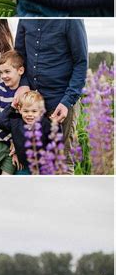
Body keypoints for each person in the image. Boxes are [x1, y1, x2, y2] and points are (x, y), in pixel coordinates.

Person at [15, 19, 88, 172]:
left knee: (62, 162)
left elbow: (81, 62)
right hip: (32, 103)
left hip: (61, 103)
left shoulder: (71, 19)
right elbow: (20, 57)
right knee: (34, 161)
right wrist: (23, 84)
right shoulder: (25, 16)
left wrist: (67, 101)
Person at [0, 49, 25, 175]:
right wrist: (11, 140)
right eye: (1, 72)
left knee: (7, 178)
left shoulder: (25, 92)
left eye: (7, 71)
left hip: (12, 147)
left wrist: (17, 143)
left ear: (20, 70)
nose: (3, 76)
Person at [0, 90, 54, 175]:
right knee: (21, 182)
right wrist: (12, 107)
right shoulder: (16, 122)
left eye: (34, 111)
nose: (30, 114)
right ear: (20, 110)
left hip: (43, 167)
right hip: (24, 166)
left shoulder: (45, 123)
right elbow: (0, 122)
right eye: (26, 111)